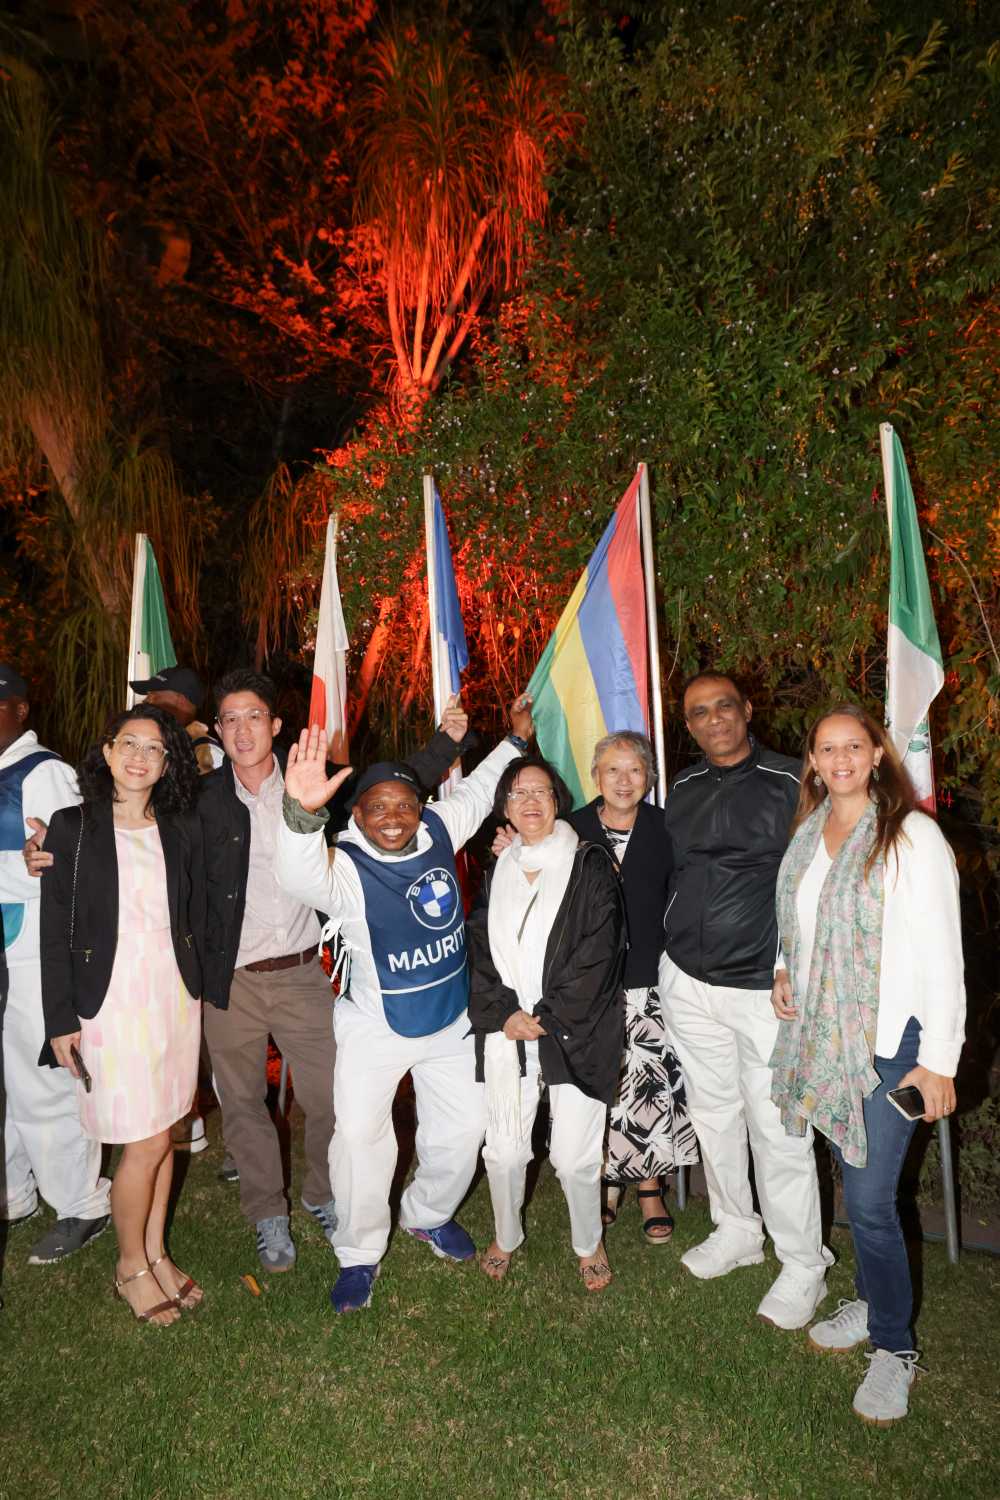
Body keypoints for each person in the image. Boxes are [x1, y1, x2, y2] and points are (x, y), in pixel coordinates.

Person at [200, 668, 470, 1275]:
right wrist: (64, 847)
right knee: (242, 1103)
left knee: (330, 1101)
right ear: (218, 730)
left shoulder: (318, 783)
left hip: (302, 972)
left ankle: (323, 1193)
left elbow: (393, 791)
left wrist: (448, 743)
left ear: (275, 725)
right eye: (230, 719)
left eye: (253, 716)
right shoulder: (200, 800)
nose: (242, 730)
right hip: (231, 978)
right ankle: (267, 1212)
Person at [274, 696, 533, 1314]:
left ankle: (427, 1213)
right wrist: (301, 815)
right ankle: (358, 1253)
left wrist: (517, 741)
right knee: (361, 1139)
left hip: (449, 1021)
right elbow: (297, 876)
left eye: (404, 805)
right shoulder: (344, 866)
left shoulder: (439, 827)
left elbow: (481, 790)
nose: (393, 818)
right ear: (357, 814)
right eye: (378, 808)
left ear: (421, 807)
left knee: (464, 1128)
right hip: (375, 1027)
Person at [770, 703, 965, 1425]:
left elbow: (945, 955)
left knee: (871, 1200)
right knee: (852, 1182)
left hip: (891, 1045)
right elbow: (799, 916)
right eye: (828, 748)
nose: (841, 759)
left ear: (878, 754)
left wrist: (939, 1061)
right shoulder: (810, 831)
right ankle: (869, 1298)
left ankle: (894, 1346)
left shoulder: (910, 835)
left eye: (854, 746)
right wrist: (783, 968)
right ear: (813, 761)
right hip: (826, 1040)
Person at [659, 671, 832, 1329]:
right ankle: (736, 1228)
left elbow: (816, 881)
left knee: (779, 1128)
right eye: (699, 712)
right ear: (690, 725)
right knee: (714, 1114)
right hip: (687, 981)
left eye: (724, 706)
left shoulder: (794, 781)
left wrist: (791, 965)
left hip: (764, 989)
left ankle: (803, 1263)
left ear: (747, 709)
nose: (714, 719)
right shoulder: (682, 787)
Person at [39, 706, 206, 1325]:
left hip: (173, 995)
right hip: (110, 1000)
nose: (139, 757)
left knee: (166, 1130)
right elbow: (54, 931)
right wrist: (60, 1019)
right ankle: (129, 1265)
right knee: (145, 1140)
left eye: (154, 749)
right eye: (128, 744)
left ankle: (156, 1252)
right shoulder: (72, 827)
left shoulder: (179, 825)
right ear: (107, 752)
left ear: (166, 765)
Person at [469, 755, 626, 1290]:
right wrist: (503, 1014)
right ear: (505, 809)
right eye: (518, 793)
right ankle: (506, 1235)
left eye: (540, 791)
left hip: (574, 1028)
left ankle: (588, 1242)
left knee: (573, 1157)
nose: (530, 801)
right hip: (509, 1032)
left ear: (557, 801)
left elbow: (600, 950)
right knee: (504, 1152)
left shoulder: (589, 864)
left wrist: (548, 1016)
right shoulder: (498, 869)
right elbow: (480, 949)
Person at [0, 663, 111, 1264]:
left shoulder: (43, 772)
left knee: (42, 1080)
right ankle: (15, 1193)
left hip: (30, 952)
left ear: (20, 710)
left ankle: (81, 1202)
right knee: (9, 1080)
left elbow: (77, 865)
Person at [572, 732, 698, 1242]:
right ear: (596, 776)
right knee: (601, 1086)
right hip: (590, 986)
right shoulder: (570, 829)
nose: (624, 781)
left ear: (649, 777)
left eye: (635, 770)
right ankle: (605, 1180)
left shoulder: (668, 829)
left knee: (647, 1086)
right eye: (612, 770)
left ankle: (649, 1188)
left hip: (652, 977)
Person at [131, 666, 222, 1159]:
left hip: (200, 911)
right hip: (163, 909)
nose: (147, 704)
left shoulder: (208, 751)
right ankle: (179, 1116)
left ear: (183, 704)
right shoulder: (158, 753)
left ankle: (190, 1116)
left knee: (201, 1028)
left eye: (156, 697)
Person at [130, 665, 224, 774]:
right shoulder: (165, 743)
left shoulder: (207, 751)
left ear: (181, 700)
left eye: (154, 696)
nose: (146, 701)